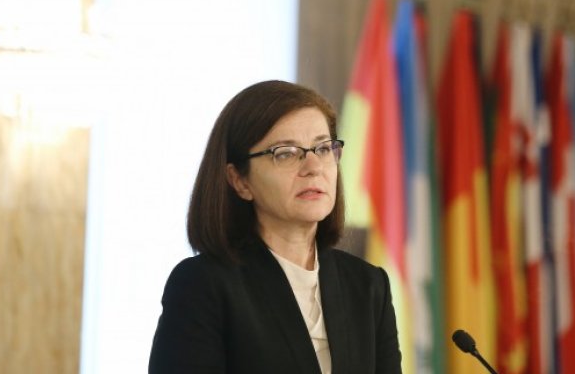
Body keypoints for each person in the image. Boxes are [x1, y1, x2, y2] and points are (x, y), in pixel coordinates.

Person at [148, 80, 402, 373]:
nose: (313, 167)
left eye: (323, 148)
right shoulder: (202, 285)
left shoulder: (368, 286)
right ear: (239, 181)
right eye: (285, 153)